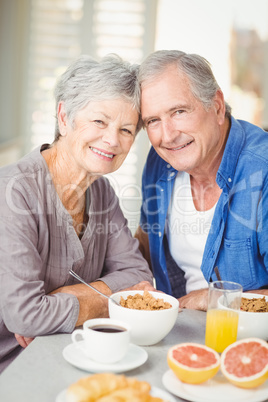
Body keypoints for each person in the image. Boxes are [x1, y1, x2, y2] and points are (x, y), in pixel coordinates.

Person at [0, 54, 155, 373]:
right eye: (99, 121)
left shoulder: (102, 192)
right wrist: (108, 298)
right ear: (64, 116)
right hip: (14, 367)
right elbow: (25, 317)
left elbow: (139, 276)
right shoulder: (13, 191)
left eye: (126, 130)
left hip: (72, 354)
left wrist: (71, 295)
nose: (112, 140)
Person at [135, 49, 268, 311]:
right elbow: (145, 241)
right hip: (178, 334)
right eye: (153, 120)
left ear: (216, 106)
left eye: (179, 111)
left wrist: (213, 299)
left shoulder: (262, 171)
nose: (168, 135)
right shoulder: (160, 162)